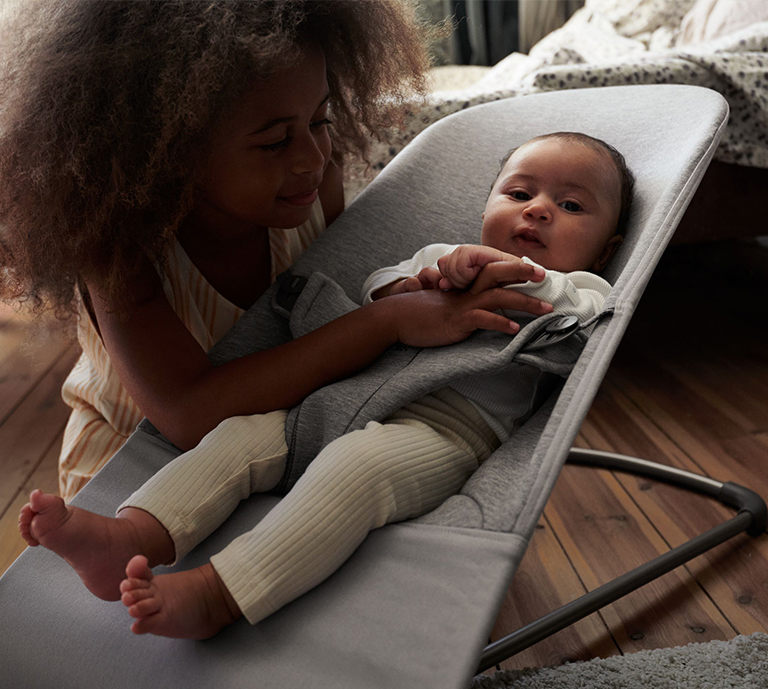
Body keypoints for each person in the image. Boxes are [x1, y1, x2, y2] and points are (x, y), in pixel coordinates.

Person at [19, 131, 634, 640]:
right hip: (337, 399)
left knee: (355, 468)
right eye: (519, 194)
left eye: (570, 206)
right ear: (485, 209)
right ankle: (132, 533)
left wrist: (532, 279)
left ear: (604, 251)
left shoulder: (584, 289)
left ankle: (219, 593)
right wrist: (419, 282)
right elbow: (376, 288)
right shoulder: (446, 255)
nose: (538, 210)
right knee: (239, 437)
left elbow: (579, 322)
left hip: (445, 431)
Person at [0, 0, 548, 502]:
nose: (313, 157)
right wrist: (391, 319)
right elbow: (188, 413)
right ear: (169, 152)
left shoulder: (314, 182)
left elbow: (335, 303)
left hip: (277, 441)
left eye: (320, 120)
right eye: (275, 141)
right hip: (131, 473)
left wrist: (408, 290)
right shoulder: (119, 252)